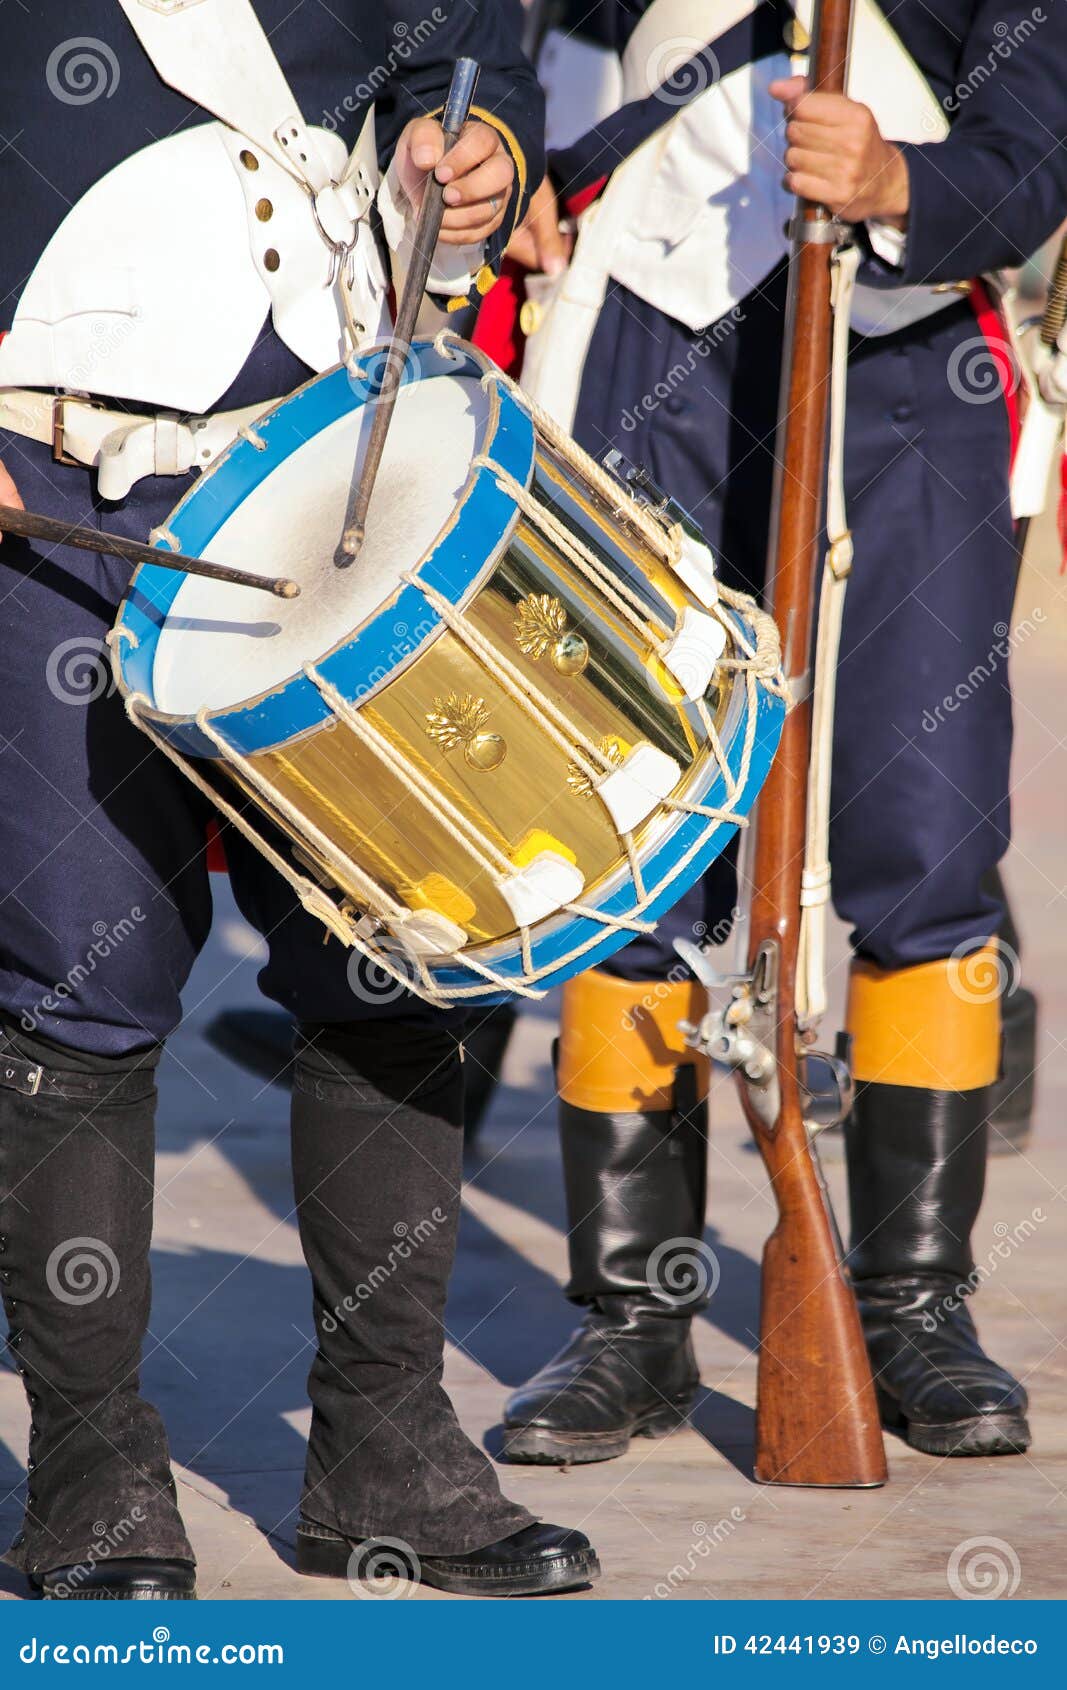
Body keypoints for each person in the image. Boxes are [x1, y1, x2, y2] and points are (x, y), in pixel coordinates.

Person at [0, 0, 599, 1600]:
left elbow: (466, 45)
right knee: (77, 967)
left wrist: (478, 143)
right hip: (44, 466)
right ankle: (93, 1471)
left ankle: (384, 1446)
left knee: (394, 942)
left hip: (338, 453)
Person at [498, 0, 1066, 1466]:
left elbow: (1038, 135)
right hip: (648, 338)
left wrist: (901, 183)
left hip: (912, 358)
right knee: (633, 829)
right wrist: (507, 138)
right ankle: (635, 1314)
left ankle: (913, 1305)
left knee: (925, 835)